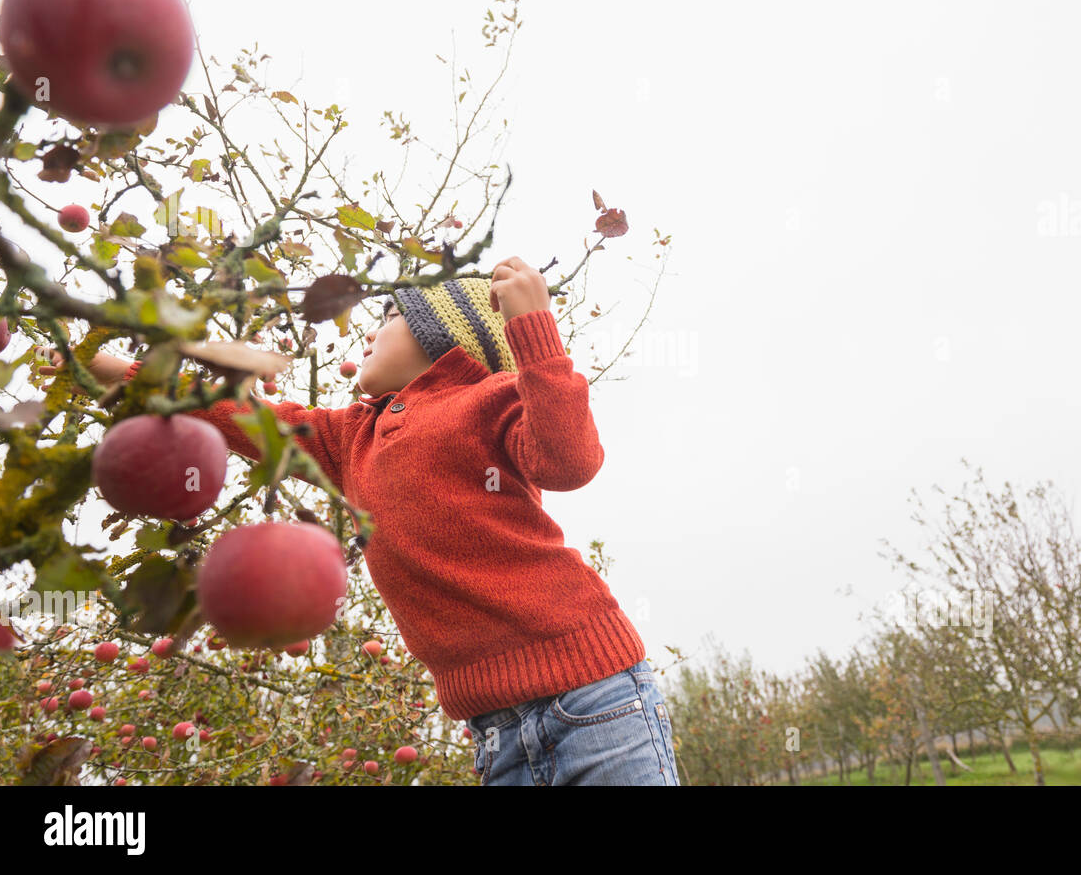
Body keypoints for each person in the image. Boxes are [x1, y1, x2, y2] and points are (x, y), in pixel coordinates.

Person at [43, 256, 680, 786]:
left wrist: (534, 330)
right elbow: (233, 413)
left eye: (391, 315)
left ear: (442, 337)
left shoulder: (489, 400)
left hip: (594, 699)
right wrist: (93, 365)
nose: (372, 332)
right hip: (496, 733)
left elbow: (570, 462)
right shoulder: (350, 436)